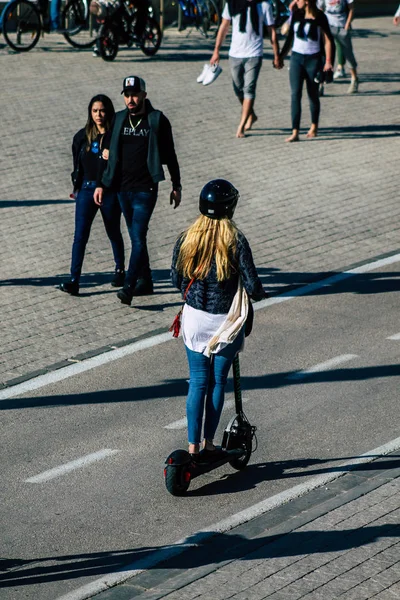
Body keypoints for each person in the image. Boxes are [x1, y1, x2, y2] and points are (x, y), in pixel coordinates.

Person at [171, 180, 266, 458]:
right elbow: (252, 285)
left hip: (195, 319)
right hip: (226, 322)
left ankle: (192, 447)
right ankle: (210, 444)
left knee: (197, 381)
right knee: (217, 382)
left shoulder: (187, 237)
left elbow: (175, 278)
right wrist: (260, 294)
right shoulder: (235, 240)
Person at [94, 76, 182, 306]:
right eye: (126, 94)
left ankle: (129, 286)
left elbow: (170, 154)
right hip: (123, 189)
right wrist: (102, 183)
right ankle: (146, 279)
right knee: (135, 234)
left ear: (144, 94)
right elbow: (108, 150)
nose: (130, 99)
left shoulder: (157, 120)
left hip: (146, 188)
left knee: (138, 236)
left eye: (134, 94)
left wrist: (176, 185)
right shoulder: (119, 119)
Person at [60, 95, 125, 296]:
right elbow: (77, 165)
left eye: (102, 110)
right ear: (90, 112)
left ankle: (120, 269)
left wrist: (112, 156)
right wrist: (77, 187)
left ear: (109, 112)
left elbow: (122, 164)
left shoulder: (115, 137)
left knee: (113, 230)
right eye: (95, 111)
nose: (98, 115)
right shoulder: (82, 137)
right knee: (80, 236)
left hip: (108, 190)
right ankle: (74, 279)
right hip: (86, 190)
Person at [210, 0, 281, 138]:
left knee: (249, 88)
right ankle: (251, 115)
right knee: (238, 88)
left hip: (254, 54)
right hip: (235, 53)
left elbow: (271, 31)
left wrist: (276, 55)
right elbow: (224, 26)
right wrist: (216, 50)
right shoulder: (232, 4)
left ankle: (241, 126)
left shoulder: (264, 5)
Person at [279, 0, 334, 142]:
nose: (296, 1)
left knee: (312, 95)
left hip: (313, 60)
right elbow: (289, 37)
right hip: (296, 59)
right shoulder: (296, 14)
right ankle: (295, 131)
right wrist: (280, 57)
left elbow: (328, 40)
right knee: (295, 94)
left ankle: (314, 126)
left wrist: (328, 62)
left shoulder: (320, 16)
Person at [317, 0, 359, 93]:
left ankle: (354, 78)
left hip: (342, 27)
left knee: (348, 54)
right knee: (324, 55)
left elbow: (351, 9)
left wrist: (347, 24)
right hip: (328, 26)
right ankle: (321, 84)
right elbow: (319, 9)